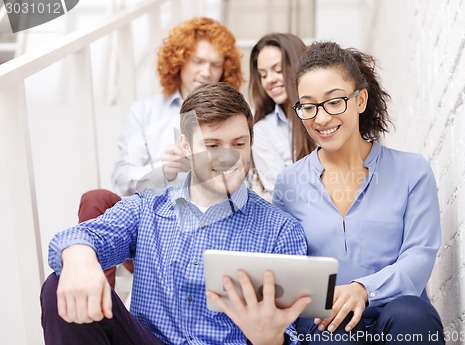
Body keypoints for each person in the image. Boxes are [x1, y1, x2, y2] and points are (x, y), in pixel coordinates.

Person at [40, 82, 311, 345]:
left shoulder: (280, 230)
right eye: (212, 145)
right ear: (185, 146)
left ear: (251, 142)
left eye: (238, 144)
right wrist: (81, 258)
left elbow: (291, 334)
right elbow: (75, 237)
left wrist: (269, 340)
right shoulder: (148, 207)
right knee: (60, 282)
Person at [273, 41, 445, 344]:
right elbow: (288, 268)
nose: (321, 118)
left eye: (334, 101)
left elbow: (419, 256)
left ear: (360, 100)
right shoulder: (289, 184)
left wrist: (363, 290)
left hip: (397, 313)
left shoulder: (412, 172)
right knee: (334, 333)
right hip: (327, 322)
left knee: (412, 315)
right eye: (308, 106)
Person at [80, 16, 243, 288]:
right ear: (179, 61)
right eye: (198, 61)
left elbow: (239, 183)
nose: (206, 72)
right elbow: (121, 179)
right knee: (95, 199)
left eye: (215, 65)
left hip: (198, 226)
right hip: (145, 226)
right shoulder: (145, 112)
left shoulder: (229, 119)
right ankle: (98, 298)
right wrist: (161, 169)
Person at [248, 33, 316, 197]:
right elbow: (283, 193)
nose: (269, 80)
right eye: (263, 75)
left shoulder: (325, 115)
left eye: (278, 70)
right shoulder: (263, 130)